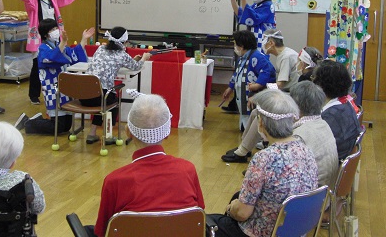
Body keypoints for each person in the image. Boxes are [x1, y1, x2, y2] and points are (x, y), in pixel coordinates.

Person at [86, 94, 205, 237]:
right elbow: (198, 215)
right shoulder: (188, 170)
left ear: (128, 132)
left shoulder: (114, 181)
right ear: (167, 133)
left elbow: (102, 231)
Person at [208, 89, 318, 237]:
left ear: (262, 123)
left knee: (207, 223)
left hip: (264, 232)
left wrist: (230, 208)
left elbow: (242, 214)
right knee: (237, 196)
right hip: (295, 229)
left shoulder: (264, 158)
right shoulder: (305, 150)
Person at [14, 18, 94, 135]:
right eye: (53, 29)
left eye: (56, 28)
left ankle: (37, 120)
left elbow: (74, 55)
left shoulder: (59, 46)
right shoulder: (43, 48)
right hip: (53, 90)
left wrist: (83, 40)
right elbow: (51, 58)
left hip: (66, 90)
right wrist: (63, 43)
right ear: (46, 33)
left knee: (66, 126)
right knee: (57, 127)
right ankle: (28, 122)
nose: (56, 31)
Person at [20, 0, 81, 105]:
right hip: (39, 35)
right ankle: (34, 94)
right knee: (37, 64)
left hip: (53, 34)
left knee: (56, 62)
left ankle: (55, 90)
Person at [81, 26, 151, 144]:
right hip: (101, 97)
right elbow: (136, 67)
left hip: (84, 96)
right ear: (124, 41)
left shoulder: (100, 48)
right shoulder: (121, 54)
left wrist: (132, 60)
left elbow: (110, 62)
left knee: (103, 98)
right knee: (112, 101)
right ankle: (108, 136)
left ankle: (92, 133)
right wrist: (144, 58)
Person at [222, 0, 276, 114]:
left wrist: (244, 0)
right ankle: (240, 103)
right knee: (244, 72)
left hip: (260, 46)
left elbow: (253, 18)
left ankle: (257, 106)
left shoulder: (268, 6)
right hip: (251, 46)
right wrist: (233, 0)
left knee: (257, 75)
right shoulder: (258, 6)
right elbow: (241, 14)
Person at [221, 30, 275, 131]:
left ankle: (252, 135)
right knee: (244, 114)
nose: (234, 47)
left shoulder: (257, 57)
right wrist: (230, 87)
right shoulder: (243, 57)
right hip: (241, 94)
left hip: (250, 94)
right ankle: (245, 130)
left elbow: (266, 71)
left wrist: (258, 85)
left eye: (235, 44)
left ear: (241, 46)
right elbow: (237, 73)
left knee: (251, 115)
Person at [290, 81, 339, 187]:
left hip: (311, 195)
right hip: (327, 190)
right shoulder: (323, 123)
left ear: (296, 106)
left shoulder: (299, 136)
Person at [312, 60, 361, 161]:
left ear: (321, 84)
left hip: (328, 167)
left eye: (313, 78)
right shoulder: (345, 105)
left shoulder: (329, 118)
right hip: (336, 161)